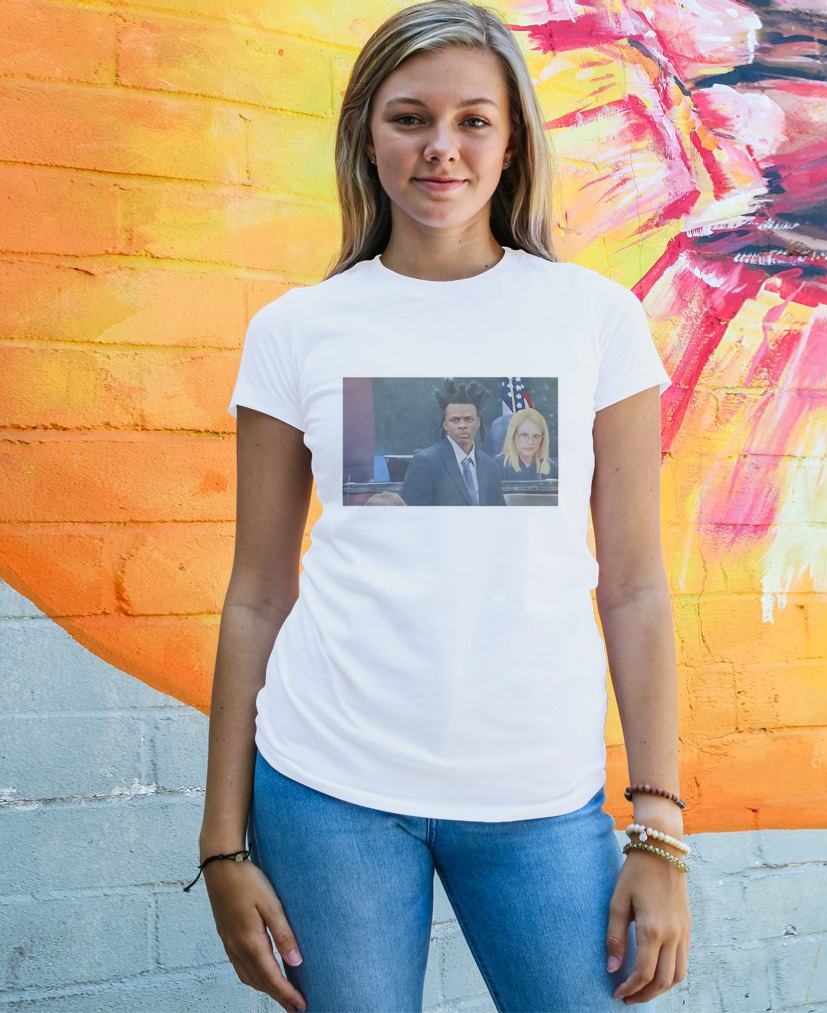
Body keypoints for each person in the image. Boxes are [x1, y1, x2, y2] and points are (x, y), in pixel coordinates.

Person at [197, 3, 691, 1012]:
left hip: (541, 799)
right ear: (366, 135)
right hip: (326, 786)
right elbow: (256, 593)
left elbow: (635, 585)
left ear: (512, 145)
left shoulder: (593, 319)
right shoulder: (298, 330)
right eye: (410, 118)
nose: (442, 149)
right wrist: (220, 844)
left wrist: (658, 825)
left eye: (474, 120)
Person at [401, 379, 506, 505]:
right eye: (455, 420)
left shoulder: (490, 467)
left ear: (478, 422)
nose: (462, 425)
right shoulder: (425, 462)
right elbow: (414, 517)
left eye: (468, 419)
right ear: (445, 424)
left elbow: (499, 516)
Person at [496, 405, 558, 480]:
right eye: (524, 435)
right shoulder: (497, 467)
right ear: (513, 436)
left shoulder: (551, 468)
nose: (530, 442)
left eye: (536, 436)